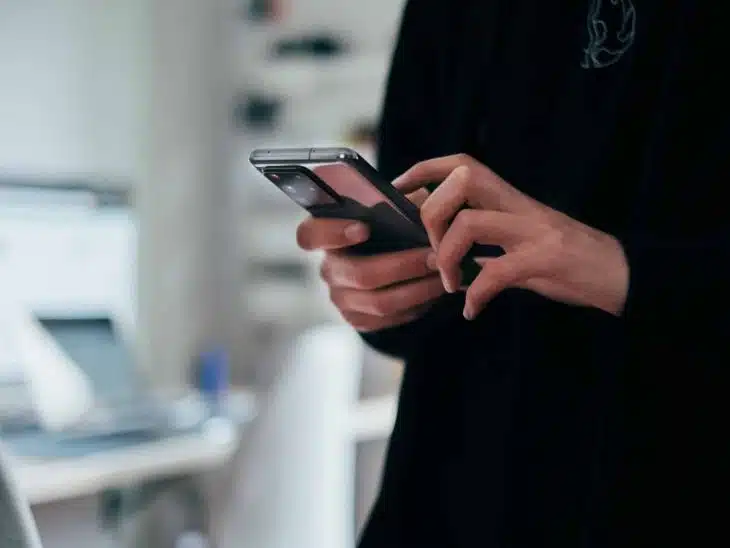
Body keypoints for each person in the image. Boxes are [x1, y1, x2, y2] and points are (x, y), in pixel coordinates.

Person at [297, 0, 729, 545]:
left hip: (663, 491)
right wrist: (378, 287)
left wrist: (620, 269)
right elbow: (430, 282)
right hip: (442, 496)